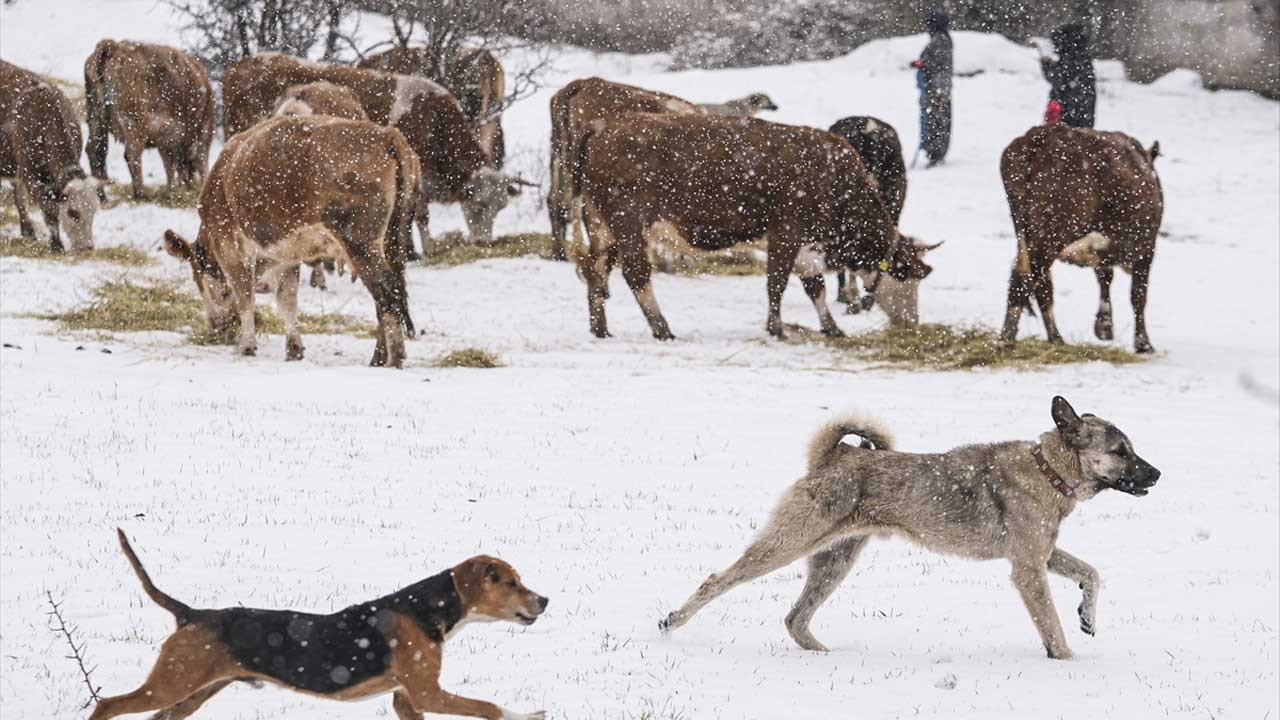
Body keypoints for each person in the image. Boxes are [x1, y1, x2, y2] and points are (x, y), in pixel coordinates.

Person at [912, 11, 953, 167]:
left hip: (937, 89)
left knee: (936, 120)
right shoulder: (942, 39)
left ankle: (935, 152)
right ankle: (934, 151)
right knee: (937, 119)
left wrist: (921, 64)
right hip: (938, 87)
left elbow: (934, 63)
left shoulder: (940, 40)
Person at [1041, 23, 1096, 128]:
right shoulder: (1082, 56)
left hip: (1067, 111)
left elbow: (1057, 79)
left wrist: (1046, 65)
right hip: (1083, 112)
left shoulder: (1069, 56)